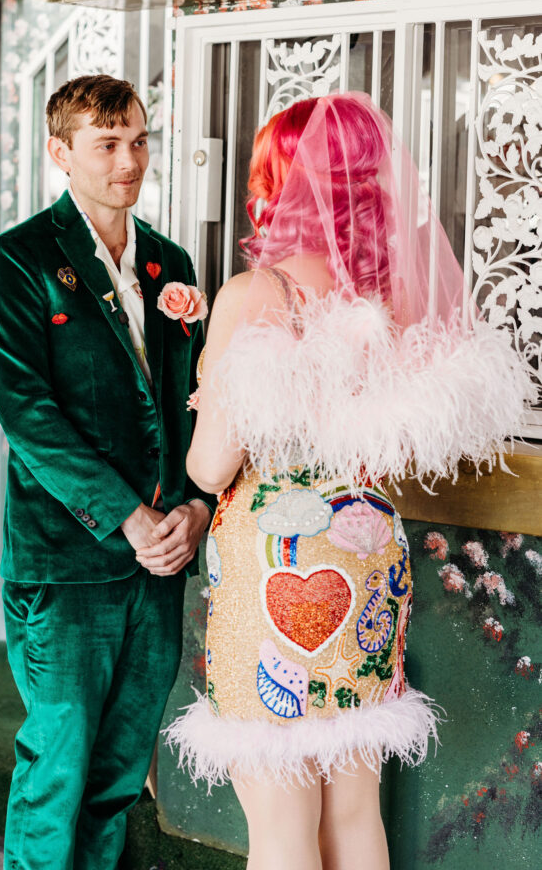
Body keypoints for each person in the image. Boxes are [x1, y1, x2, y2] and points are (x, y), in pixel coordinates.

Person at [167, 92, 534, 870]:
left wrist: (203, 394)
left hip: (277, 563)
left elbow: (207, 466)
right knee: (353, 811)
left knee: (279, 823)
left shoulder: (256, 296)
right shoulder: (397, 299)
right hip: (368, 551)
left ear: (279, 177)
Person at [0, 74, 214, 870]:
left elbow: (196, 404)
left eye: (140, 141)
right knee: (60, 768)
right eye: (107, 144)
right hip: (67, 564)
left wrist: (196, 506)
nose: (129, 160)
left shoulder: (171, 264)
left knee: (118, 776)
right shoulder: (20, 260)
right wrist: (128, 515)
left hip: (159, 566)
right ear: (60, 152)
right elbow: (30, 416)